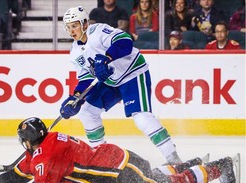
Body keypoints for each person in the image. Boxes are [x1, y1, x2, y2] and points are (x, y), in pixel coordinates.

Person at [0, 117, 240, 183]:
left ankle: (221, 167)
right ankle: (190, 163)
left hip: (119, 172)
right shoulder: (45, 145)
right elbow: (17, 174)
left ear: (28, 141)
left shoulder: (48, 155)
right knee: (154, 175)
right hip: (114, 166)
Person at [60, 6, 183, 164]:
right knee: (86, 112)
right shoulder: (75, 53)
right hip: (111, 80)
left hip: (132, 73)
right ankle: (101, 158)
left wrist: (107, 57)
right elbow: (85, 77)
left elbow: (125, 41)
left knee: (141, 118)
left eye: (75, 25)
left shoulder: (98, 31)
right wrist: (75, 98)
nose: (72, 31)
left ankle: (173, 157)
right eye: (68, 27)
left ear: (84, 24)